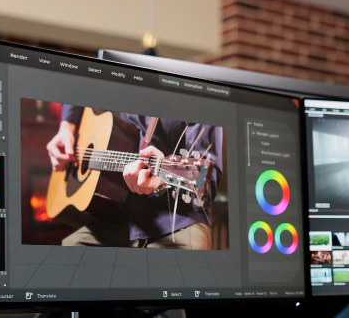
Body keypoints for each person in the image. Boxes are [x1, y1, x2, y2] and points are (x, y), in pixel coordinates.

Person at [46, 105, 223, 249]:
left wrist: (160, 180)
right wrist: (67, 126)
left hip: (175, 219)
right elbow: (80, 86)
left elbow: (207, 178)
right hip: (118, 216)